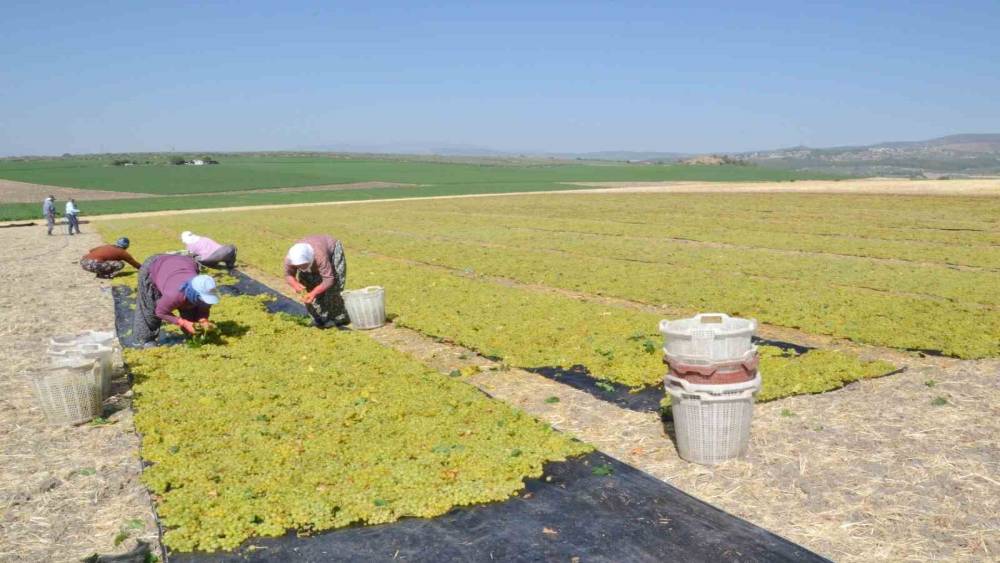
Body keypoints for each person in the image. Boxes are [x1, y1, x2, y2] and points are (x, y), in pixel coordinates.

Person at [133, 254, 221, 346]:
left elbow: (204, 306)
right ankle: (146, 340)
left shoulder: (205, 287)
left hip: (181, 263)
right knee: (150, 308)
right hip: (154, 266)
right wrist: (184, 323)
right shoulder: (174, 294)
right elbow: (160, 312)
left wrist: (203, 320)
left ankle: (191, 334)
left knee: (192, 312)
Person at [284, 235, 348, 328]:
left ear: (310, 259)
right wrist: (295, 285)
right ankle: (319, 318)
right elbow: (288, 275)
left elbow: (329, 280)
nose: (301, 267)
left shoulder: (320, 256)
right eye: (299, 266)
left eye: (303, 265)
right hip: (314, 255)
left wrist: (314, 293)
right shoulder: (290, 259)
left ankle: (336, 317)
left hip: (331, 248)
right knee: (307, 286)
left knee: (335, 286)